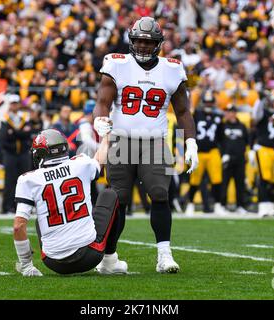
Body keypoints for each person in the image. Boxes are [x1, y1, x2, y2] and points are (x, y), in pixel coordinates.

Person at [93, 17, 198, 274]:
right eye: (138, 40)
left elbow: (183, 111)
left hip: (155, 140)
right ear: (131, 40)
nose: (142, 46)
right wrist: (99, 120)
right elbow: (103, 100)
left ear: (158, 44)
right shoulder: (117, 64)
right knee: (119, 198)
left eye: (148, 42)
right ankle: (109, 258)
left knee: (160, 194)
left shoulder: (172, 69)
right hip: (121, 140)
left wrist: (191, 142)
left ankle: (164, 254)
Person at [13, 128, 118, 276]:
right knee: (110, 194)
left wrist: (26, 266)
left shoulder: (28, 179)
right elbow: (100, 158)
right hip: (90, 256)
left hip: (53, 263)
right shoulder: (81, 164)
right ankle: (110, 261)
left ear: (41, 154)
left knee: (40, 220)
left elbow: (18, 226)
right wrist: (106, 136)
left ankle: (27, 267)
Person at [183, 89, 225, 215]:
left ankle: (218, 205)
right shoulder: (197, 114)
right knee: (194, 180)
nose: (208, 105)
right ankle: (190, 205)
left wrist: (223, 152)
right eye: (206, 102)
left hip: (213, 151)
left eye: (210, 102)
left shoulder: (218, 116)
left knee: (217, 179)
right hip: (199, 151)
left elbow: (221, 137)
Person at [0, 94, 32, 214]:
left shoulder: (25, 117)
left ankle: (24, 207)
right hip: (10, 154)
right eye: (12, 103)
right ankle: (7, 207)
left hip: (23, 154)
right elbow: (3, 137)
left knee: (25, 181)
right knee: (9, 181)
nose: (14, 105)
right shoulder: (5, 118)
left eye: (16, 103)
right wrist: (20, 133)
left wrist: (14, 133)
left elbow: (28, 134)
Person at [251, 89, 274, 217]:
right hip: (264, 148)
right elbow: (255, 115)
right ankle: (263, 206)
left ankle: (271, 206)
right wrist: (260, 99)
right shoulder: (263, 112)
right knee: (264, 178)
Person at [219, 104, 249, 214]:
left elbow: (246, 141)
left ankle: (240, 205)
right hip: (227, 159)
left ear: (235, 113)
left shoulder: (242, 126)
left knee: (239, 183)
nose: (230, 114)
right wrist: (222, 154)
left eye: (232, 111)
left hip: (239, 159)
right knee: (225, 183)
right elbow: (218, 141)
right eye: (228, 111)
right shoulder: (222, 125)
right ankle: (222, 205)